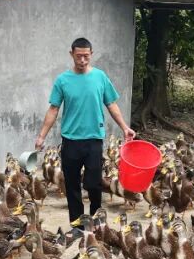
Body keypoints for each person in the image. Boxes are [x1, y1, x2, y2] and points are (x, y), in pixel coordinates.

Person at [35, 37, 136, 230]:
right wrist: (41, 136)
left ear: (91, 54)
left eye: (86, 56)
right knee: (72, 185)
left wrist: (124, 127)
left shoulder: (100, 77)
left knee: (94, 183)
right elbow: (53, 109)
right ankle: (78, 226)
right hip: (70, 141)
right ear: (71, 54)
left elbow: (111, 104)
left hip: (94, 140)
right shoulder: (63, 80)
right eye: (79, 56)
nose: (82, 60)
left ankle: (96, 221)